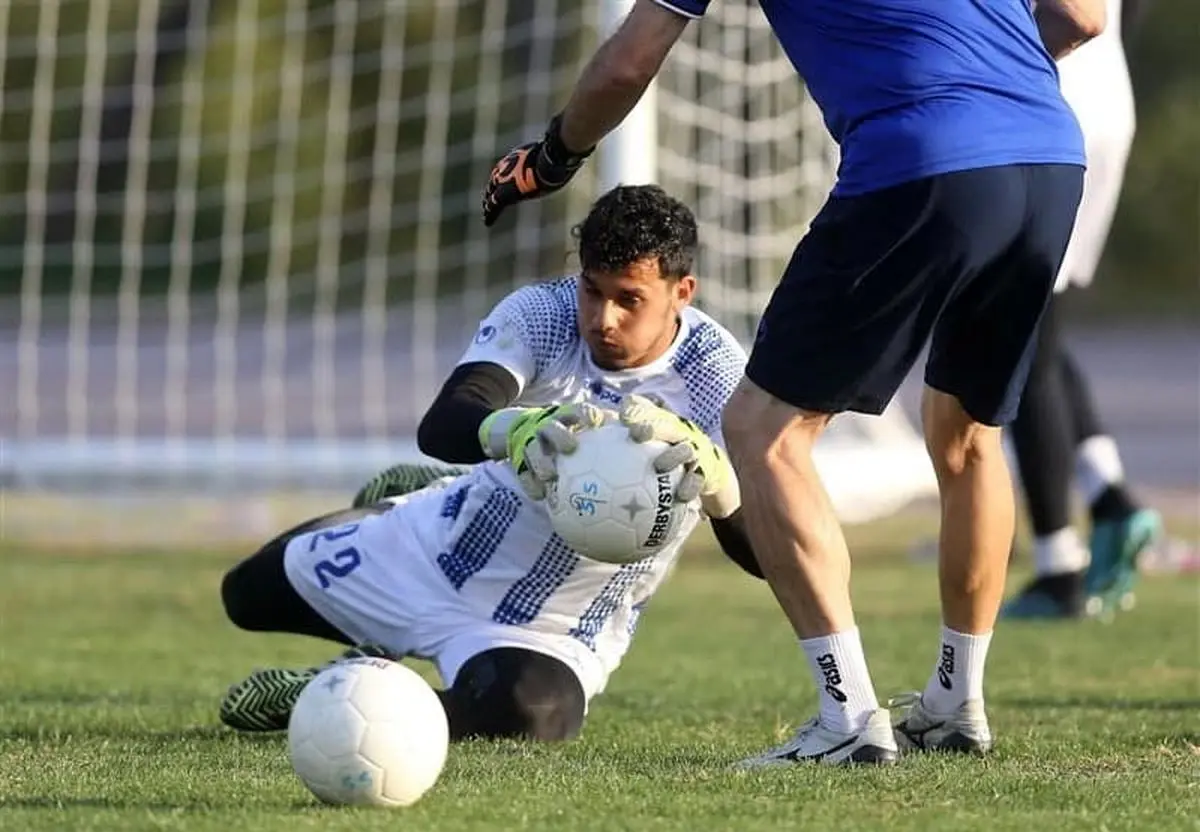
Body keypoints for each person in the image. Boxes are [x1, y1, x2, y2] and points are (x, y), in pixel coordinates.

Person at [480, 0, 1104, 765]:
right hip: (1050, 153)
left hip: (923, 157)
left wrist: (551, 158)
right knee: (967, 434)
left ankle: (847, 718)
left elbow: (627, 63)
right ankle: (955, 702)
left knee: (762, 431)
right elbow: (1083, 15)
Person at [218, 184, 760, 741]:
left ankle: (337, 693)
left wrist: (724, 489)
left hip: (553, 629)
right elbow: (446, 421)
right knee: (246, 595)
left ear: (682, 292)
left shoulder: (716, 377)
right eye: (592, 291)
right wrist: (514, 426)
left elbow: (769, 556)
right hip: (436, 553)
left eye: (629, 299)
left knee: (532, 717)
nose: (603, 318)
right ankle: (409, 506)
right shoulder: (544, 313)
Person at [1003, 0, 1162, 621]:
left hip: (1049, 104)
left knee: (1020, 337)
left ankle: (1057, 566)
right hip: (1107, 100)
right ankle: (1110, 496)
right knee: (1039, 319)